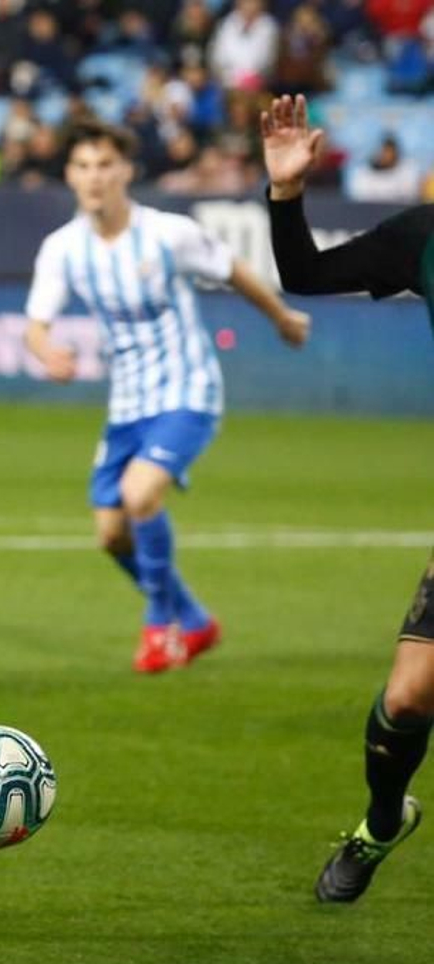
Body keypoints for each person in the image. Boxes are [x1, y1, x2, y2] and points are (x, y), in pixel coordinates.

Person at [23, 117, 311, 672]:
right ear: (70, 175)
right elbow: (36, 324)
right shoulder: (62, 249)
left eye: (105, 165)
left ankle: (162, 625)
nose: (94, 177)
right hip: (127, 404)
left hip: (187, 391)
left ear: (126, 171)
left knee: (139, 495)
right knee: (111, 535)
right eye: (83, 166)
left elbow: (233, 270)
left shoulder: (168, 233)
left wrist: (281, 317)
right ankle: (196, 620)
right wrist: (46, 351)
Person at [259, 93, 433, 902]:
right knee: (408, 696)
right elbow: (306, 274)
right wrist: (287, 192)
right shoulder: (422, 237)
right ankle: (382, 822)